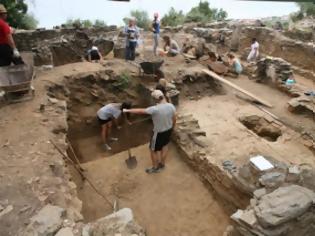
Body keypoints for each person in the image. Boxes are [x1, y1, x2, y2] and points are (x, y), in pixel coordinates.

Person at [123, 90, 176, 174]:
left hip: (158, 133)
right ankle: (162, 164)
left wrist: (127, 111)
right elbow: (174, 119)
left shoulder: (155, 109)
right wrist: (172, 128)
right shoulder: (171, 106)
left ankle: (155, 168)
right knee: (165, 147)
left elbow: (140, 111)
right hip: (168, 130)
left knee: (153, 150)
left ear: (155, 99)